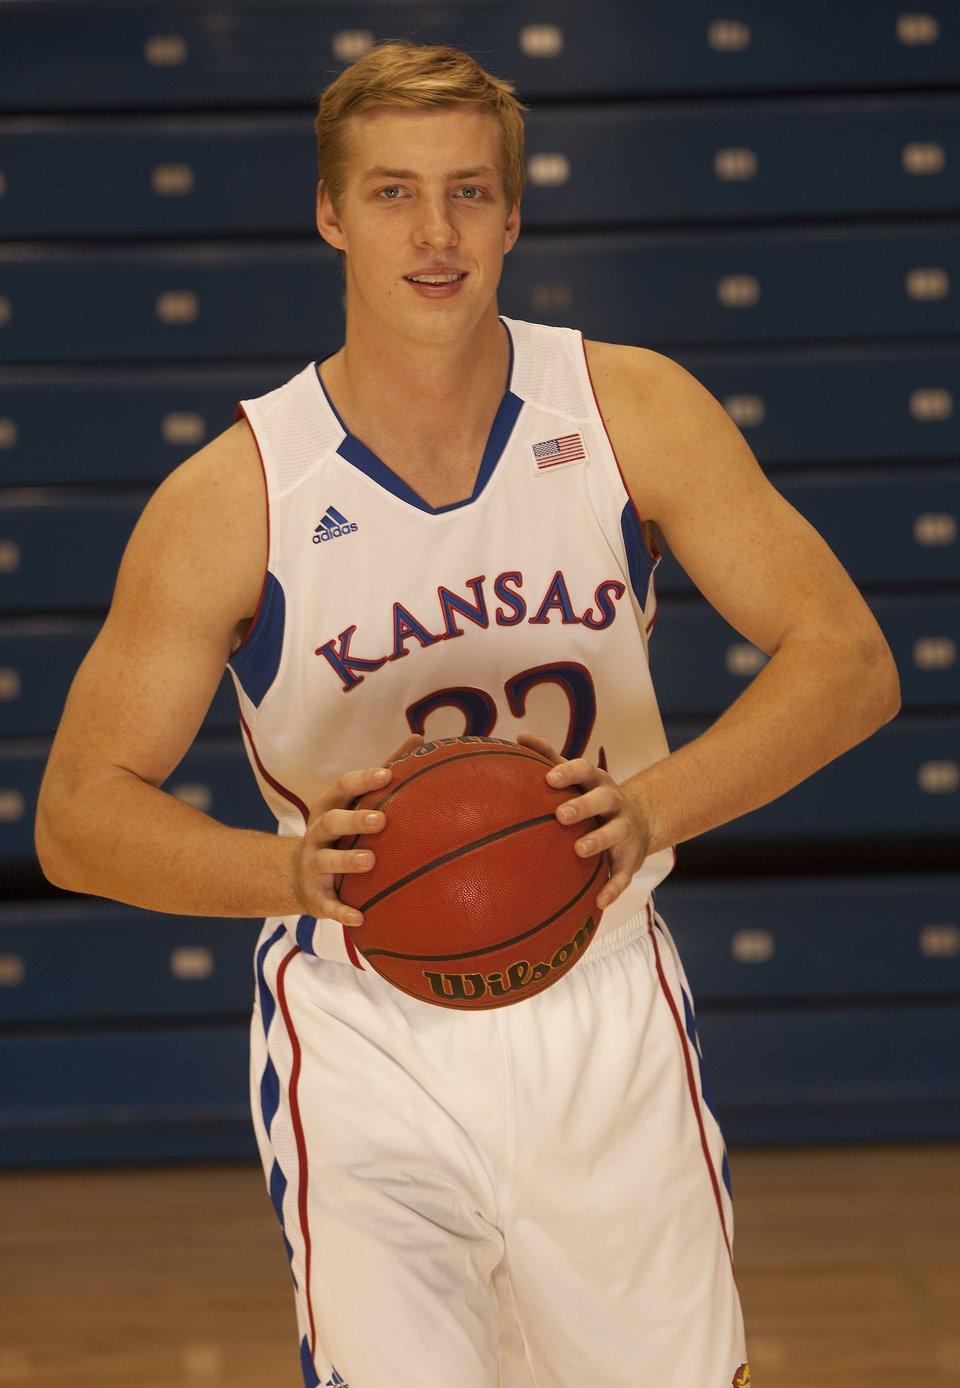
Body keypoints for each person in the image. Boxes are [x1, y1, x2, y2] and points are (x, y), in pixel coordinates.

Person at [35, 40, 899, 1388]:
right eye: (391, 194)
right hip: (366, 1022)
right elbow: (78, 816)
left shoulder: (630, 408)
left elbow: (847, 661)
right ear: (329, 212)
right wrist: (286, 872)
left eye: (467, 193)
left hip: (603, 999)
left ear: (514, 209)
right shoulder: (232, 497)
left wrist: (649, 808)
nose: (434, 234)